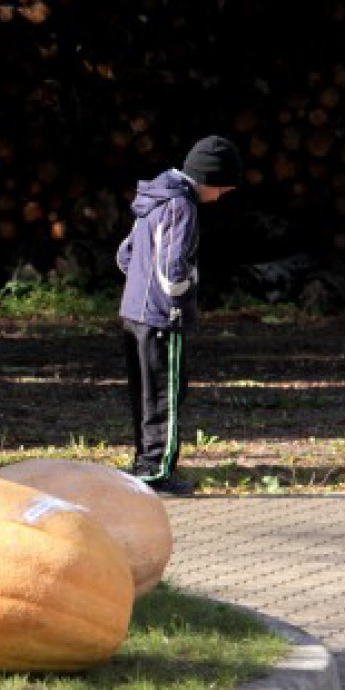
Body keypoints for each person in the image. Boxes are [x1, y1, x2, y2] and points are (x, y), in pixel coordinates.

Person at [116, 135, 243, 496]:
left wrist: (140, 287)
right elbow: (173, 267)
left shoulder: (153, 197)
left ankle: (144, 463)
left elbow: (125, 254)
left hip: (134, 312)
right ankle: (158, 471)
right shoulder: (181, 205)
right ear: (210, 178)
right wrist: (185, 291)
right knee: (166, 395)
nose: (219, 197)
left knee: (144, 393)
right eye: (222, 189)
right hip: (162, 315)